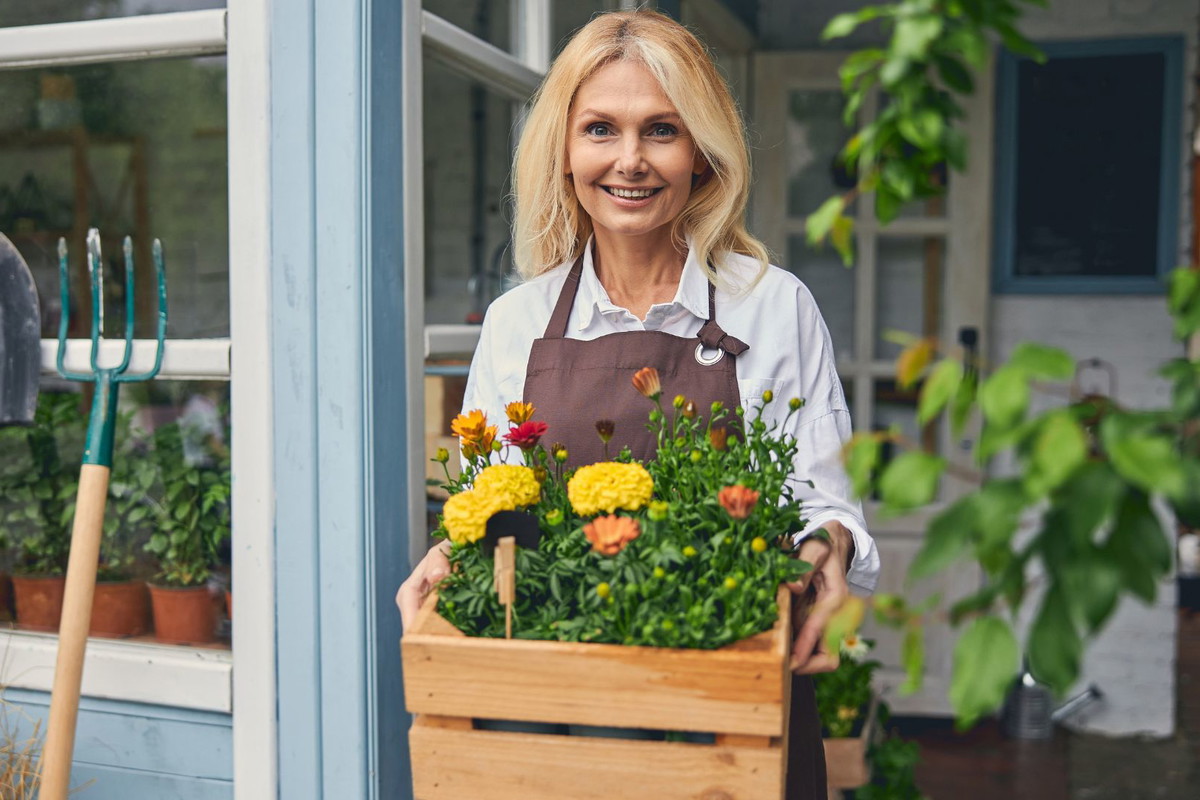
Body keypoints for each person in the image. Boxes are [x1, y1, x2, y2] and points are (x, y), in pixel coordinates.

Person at [397, 9, 880, 797]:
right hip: (559, 718)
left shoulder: (771, 307)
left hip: (735, 716)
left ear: (701, 153)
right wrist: (454, 552)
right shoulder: (520, 321)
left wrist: (826, 547)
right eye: (600, 130)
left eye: (661, 129)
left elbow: (825, 501)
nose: (630, 161)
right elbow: (498, 506)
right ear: (564, 148)